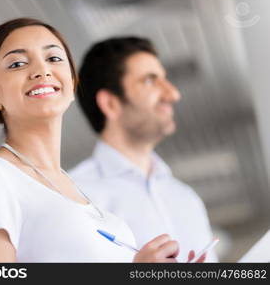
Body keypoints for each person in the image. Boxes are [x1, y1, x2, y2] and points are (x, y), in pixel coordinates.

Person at [0, 18, 203, 263]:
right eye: (17, 63)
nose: (42, 70)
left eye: (54, 58)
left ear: (72, 85)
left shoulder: (77, 193)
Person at [70, 37, 218, 262]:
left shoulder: (186, 198)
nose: (172, 94)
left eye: (164, 80)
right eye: (150, 81)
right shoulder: (73, 198)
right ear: (111, 104)